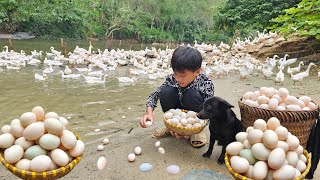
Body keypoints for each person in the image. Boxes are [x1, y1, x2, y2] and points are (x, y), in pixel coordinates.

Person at [140, 46, 214, 147]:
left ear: (197, 71)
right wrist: (149, 114)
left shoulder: (206, 83)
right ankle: (170, 127)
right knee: (166, 91)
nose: (178, 79)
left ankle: (197, 132)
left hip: (194, 119)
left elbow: (210, 111)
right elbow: (154, 96)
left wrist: (196, 126)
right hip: (176, 116)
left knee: (192, 94)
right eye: (175, 74)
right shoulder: (172, 79)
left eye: (182, 75)